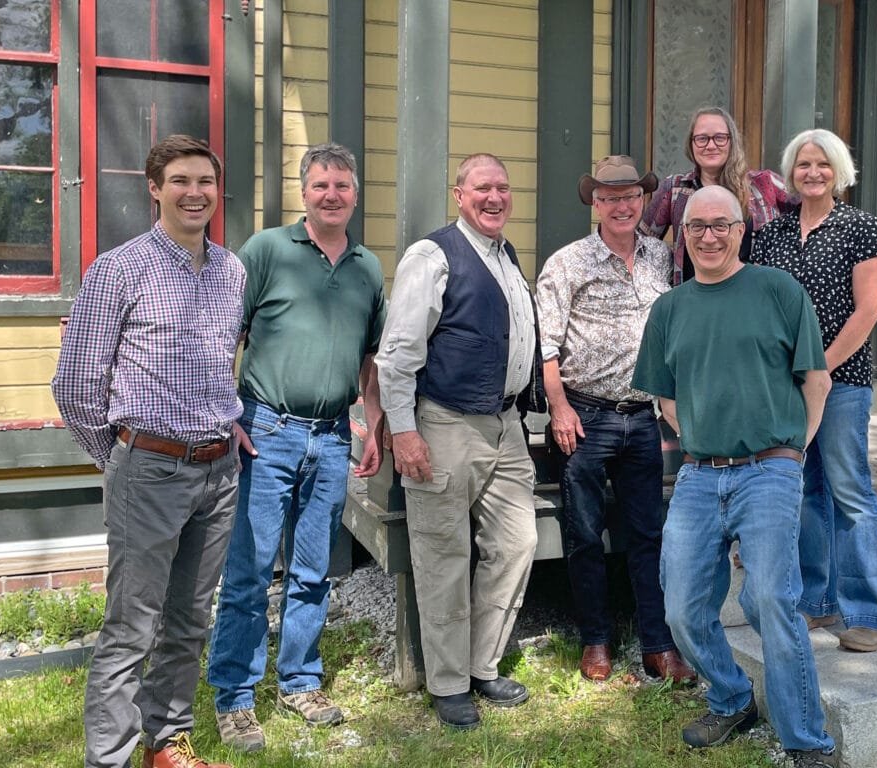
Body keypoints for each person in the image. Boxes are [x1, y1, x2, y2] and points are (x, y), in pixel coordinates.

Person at [633, 185, 841, 768]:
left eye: (720, 224)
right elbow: (664, 397)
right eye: (696, 226)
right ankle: (730, 696)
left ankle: (806, 740)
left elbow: (815, 381)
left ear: (740, 230)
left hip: (769, 471)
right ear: (684, 233)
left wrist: (794, 453)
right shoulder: (669, 310)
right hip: (699, 477)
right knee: (680, 607)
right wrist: (698, 429)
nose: (708, 235)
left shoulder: (778, 290)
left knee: (772, 598)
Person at [52, 135, 243, 768]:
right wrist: (122, 457)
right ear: (154, 188)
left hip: (219, 471)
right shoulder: (119, 269)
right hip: (148, 469)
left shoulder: (231, 270)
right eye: (182, 181)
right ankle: (108, 756)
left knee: (190, 619)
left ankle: (167, 743)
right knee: (131, 626)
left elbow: (221, 365)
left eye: (206, 183)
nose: (196, 193)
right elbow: (76, 384)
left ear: (219, 191)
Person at [206, 143, 387, 752]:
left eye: (342, 185)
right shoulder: (265, 251)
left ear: (355, 196)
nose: (331, 195)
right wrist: (227, 413)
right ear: (303, 193)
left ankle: (300, 681)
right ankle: (234, 697)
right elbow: (223, 332)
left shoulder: (367, 266)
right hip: (266, 433)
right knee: (250, 572)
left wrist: (375, 421)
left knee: (314, 571)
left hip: (334, 436)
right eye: (320, 185)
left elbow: (371, 357)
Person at [375, 152, 546, 730]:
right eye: (482, 188)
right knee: (443, 555)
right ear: (459, 194)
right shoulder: (433, 255)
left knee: (518, 543)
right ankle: (448, 684)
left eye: (503, 187)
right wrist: (404, 430)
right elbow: (397, 355)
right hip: (444, 423)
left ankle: (482, 663)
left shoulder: (506, 256)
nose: (494, 197)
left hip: (505, 426)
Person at [534, 155, 694, 684]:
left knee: (648, 533)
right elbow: (546, 346)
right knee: (584, 534)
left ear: (643, 201)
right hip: (582, 416)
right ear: (594, 204)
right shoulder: (568, 263)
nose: (621, 205)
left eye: (630, 196)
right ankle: (596, 641)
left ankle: (657, 644)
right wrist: (558, 406)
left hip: (643, 416)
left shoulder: (661, 256)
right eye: (610, 197)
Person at [750, 128, 877, 652]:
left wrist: (821, 368)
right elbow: (763, 310)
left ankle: (874, 614)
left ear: (839, 171)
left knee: (849, 492)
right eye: (803, 165)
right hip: (787, 386)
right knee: (807, 494)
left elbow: (868, 311)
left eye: (822, 165)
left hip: (842, 384)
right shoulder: (773, 235)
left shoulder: (861, 228)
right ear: (790, 173)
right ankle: (816, 603)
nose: (812, 173)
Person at [640, 106, 794, 284]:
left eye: (720, 138)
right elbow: (641, 245)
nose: (711, 145)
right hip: (694, 300)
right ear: (691, 144)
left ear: (732, 142)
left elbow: (812, 206)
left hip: (753, 298)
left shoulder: (763, 184)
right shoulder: (674, 189)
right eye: (702, 138)